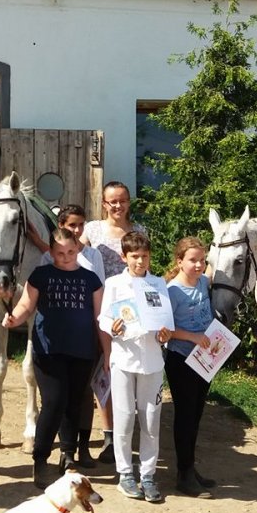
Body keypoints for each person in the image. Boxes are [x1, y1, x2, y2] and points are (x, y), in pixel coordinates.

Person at [6, 227, 103, 488]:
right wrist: (14, 316)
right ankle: (41, 459)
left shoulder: (91, 279)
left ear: (77, 249)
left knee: (73, 402)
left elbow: (99, 317)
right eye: (60, 253)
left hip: (82, 350)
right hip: (49, 350)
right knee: (54, 401)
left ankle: (68, 456)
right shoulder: (42, 275)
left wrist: (107, 348)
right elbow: (27, 304)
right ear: (51, 252)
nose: (66, 257)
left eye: (70, 251)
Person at [98, 230, 171, 503]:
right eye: (135, 257)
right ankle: (125, 473)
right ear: (124, 257)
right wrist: (112, 327)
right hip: (124, 360)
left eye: (145, 256)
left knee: (151, 421)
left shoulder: (158, 283)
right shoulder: (114, 283)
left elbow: (166, 323)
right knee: (125, 418)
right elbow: (104, 318)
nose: (140, 262)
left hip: (152, 361)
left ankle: (148, 475)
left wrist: (165, 335)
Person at [82, 181, 145, 462]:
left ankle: (127, 430)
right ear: (104, 204)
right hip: (98, 309)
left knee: (127, 370)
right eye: (112, 201)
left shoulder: (139, 231)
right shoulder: (92, 230)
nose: (117, 206)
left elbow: (145, 271)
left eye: (122, 200)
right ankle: (109, 435)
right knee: (102, 371)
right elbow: (69, 252)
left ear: (129, 202)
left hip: (130, 314)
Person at [39, 204, 104, 468]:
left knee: (83, 392)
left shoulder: (93, 255)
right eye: (71, 225)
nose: (77, 230)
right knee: (59, 394)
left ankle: (84, 447)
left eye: (80, 225)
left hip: (86, 332)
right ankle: (65, 450)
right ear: (61, 226)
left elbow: (99, 290)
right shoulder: (48, 258)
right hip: (57, 335)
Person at [163, 236, 219, 498]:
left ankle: (189, 468)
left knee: (196, 415)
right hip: (181, 359)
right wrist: (193, 336)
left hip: (206, 359)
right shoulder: (172, 291)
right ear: (180, 261)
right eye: (192, 260)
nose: (198, 265)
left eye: (202, 260)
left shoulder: (205, 282)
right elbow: (166, 330)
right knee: (185, 416)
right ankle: (184, 475)